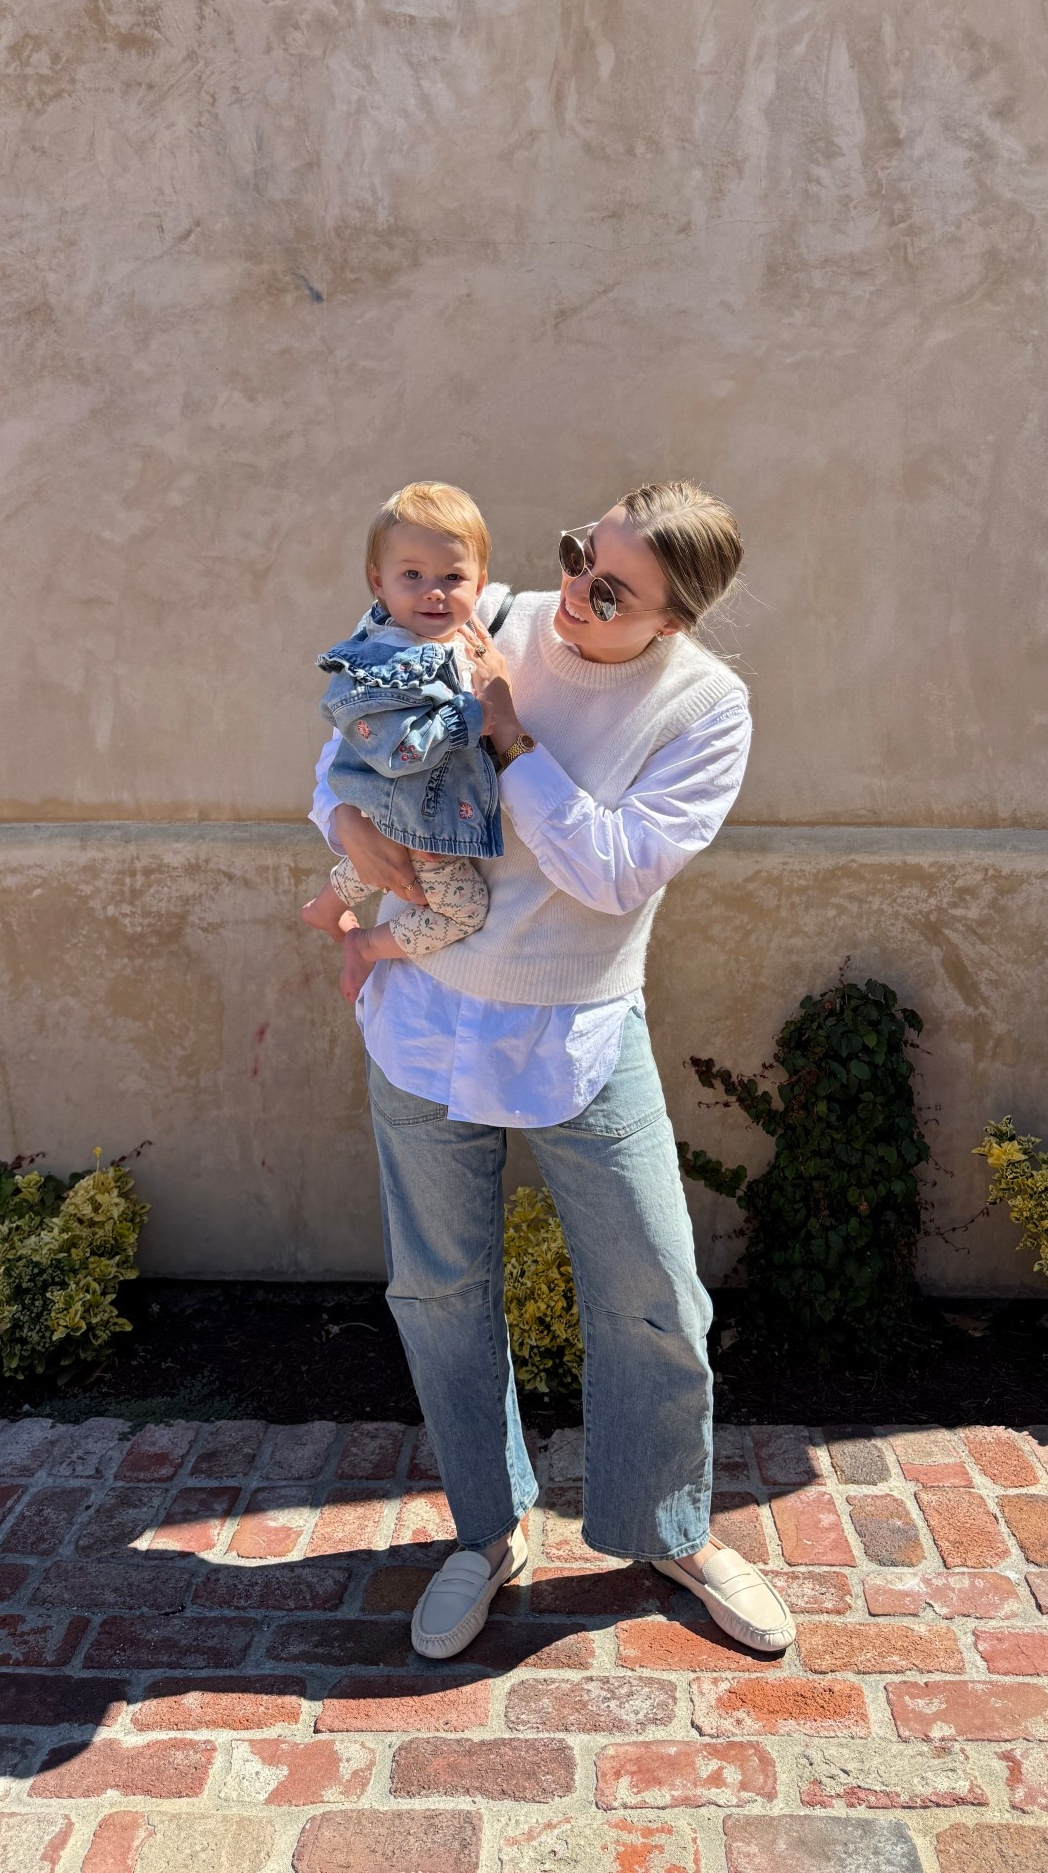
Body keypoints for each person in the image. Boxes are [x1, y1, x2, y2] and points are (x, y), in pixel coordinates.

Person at [309, 480, 793, 1659]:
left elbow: (614, 871)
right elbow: (347, 750)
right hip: (426, 1013)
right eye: (580, 553)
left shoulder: (703, 706)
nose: (576, 589)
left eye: (613, 587)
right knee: (439, 1288)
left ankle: (666, 1522)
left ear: (673, 618)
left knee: (656, 1294)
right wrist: (342, 828)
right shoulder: (490, 614)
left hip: (577, 1023)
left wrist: (509, 733)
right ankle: (487, 1528)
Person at [302, 483, 502, 1003]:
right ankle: (367, 946)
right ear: (379, 582)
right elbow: (399, 750)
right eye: (412, 575)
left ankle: (325, 906)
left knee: (385, 847)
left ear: (480, 585)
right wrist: (476, 715)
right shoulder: (388, 662)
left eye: (452, 577)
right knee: (465, 912)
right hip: (425, 814)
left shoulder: (447, 639)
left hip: (406, 810)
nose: (433, 591)